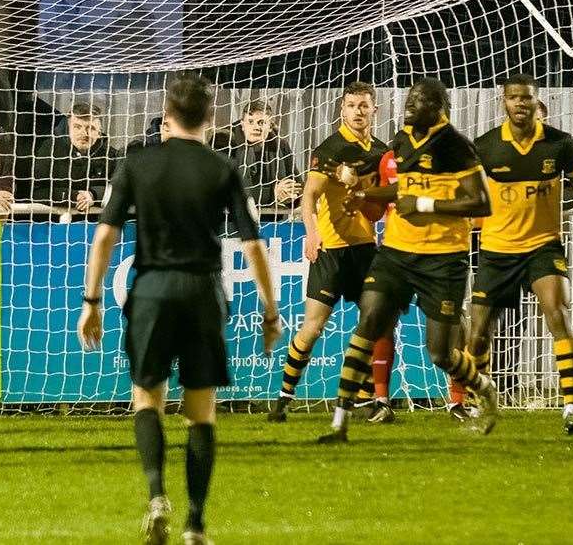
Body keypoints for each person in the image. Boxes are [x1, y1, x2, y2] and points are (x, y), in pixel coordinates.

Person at [77, 74, 282, 545]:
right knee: (200, 411)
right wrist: (271, 311)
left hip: (151, 292)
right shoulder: (225, 168)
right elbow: (254, 246)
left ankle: (155, 496)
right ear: (211, 119)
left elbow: (105, 235)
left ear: (166, 116)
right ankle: (195, 523)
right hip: (202, 292)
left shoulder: (136, 163)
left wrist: (92, 300)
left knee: (147, 398)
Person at [320, 78, 498, 443]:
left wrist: (425, 205)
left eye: (418, 101)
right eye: (409, 99)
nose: (409, 104)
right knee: (368, 321)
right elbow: (403, 189)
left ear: (437, 106)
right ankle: (339, 422)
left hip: (443, 259)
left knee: (441, 353)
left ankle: (484, 389)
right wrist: (365, 194)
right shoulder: (401, 140)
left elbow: (482, 203)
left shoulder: (456, 146)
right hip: (397, 253)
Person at [466, 74, 573, 435]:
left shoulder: (559, 145)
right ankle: (481, 403)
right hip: (496, 250)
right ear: (504, 101)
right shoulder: (485, 146)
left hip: (543, 247)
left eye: (527, 98)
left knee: (558, 314)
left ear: (537, 101)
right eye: (513, 98)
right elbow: (469, 198)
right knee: (478, 333)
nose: (520, 103)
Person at [268, 82, 390, 423]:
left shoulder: (380, 152)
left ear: (374, 110)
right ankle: (284, 397)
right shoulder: (330, 149)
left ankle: (369, 399)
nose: (358, 111)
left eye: (364, 105)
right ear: (342, 109)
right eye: (351, 105)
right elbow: (309, 197)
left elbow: (376, 212)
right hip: (331, 251)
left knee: (373, 322)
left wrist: (365, 196)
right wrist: (311, 233)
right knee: (313, 326)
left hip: (365, 249)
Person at [31, 102, 119, 211]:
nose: (84, 133)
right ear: (68, 129)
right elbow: (36, 192)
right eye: (77, 127)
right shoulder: (50, 149)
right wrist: (74, 196)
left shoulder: (111, 156)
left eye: (90, 128)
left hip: (96, 222)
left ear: (99, 132)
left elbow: (120, 190)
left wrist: (93, 195)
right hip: (53, 222)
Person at [233, 101, 300, 217]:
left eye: (261, 123)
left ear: (270, 126)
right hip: (235, 221)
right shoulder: (227, 145)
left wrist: (291, 194)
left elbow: (297, 183)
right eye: (250, 122)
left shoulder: (281, 145)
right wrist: (273, 193)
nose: (256, 127)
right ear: (242, 125)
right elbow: (229, 193)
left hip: (274, 221)